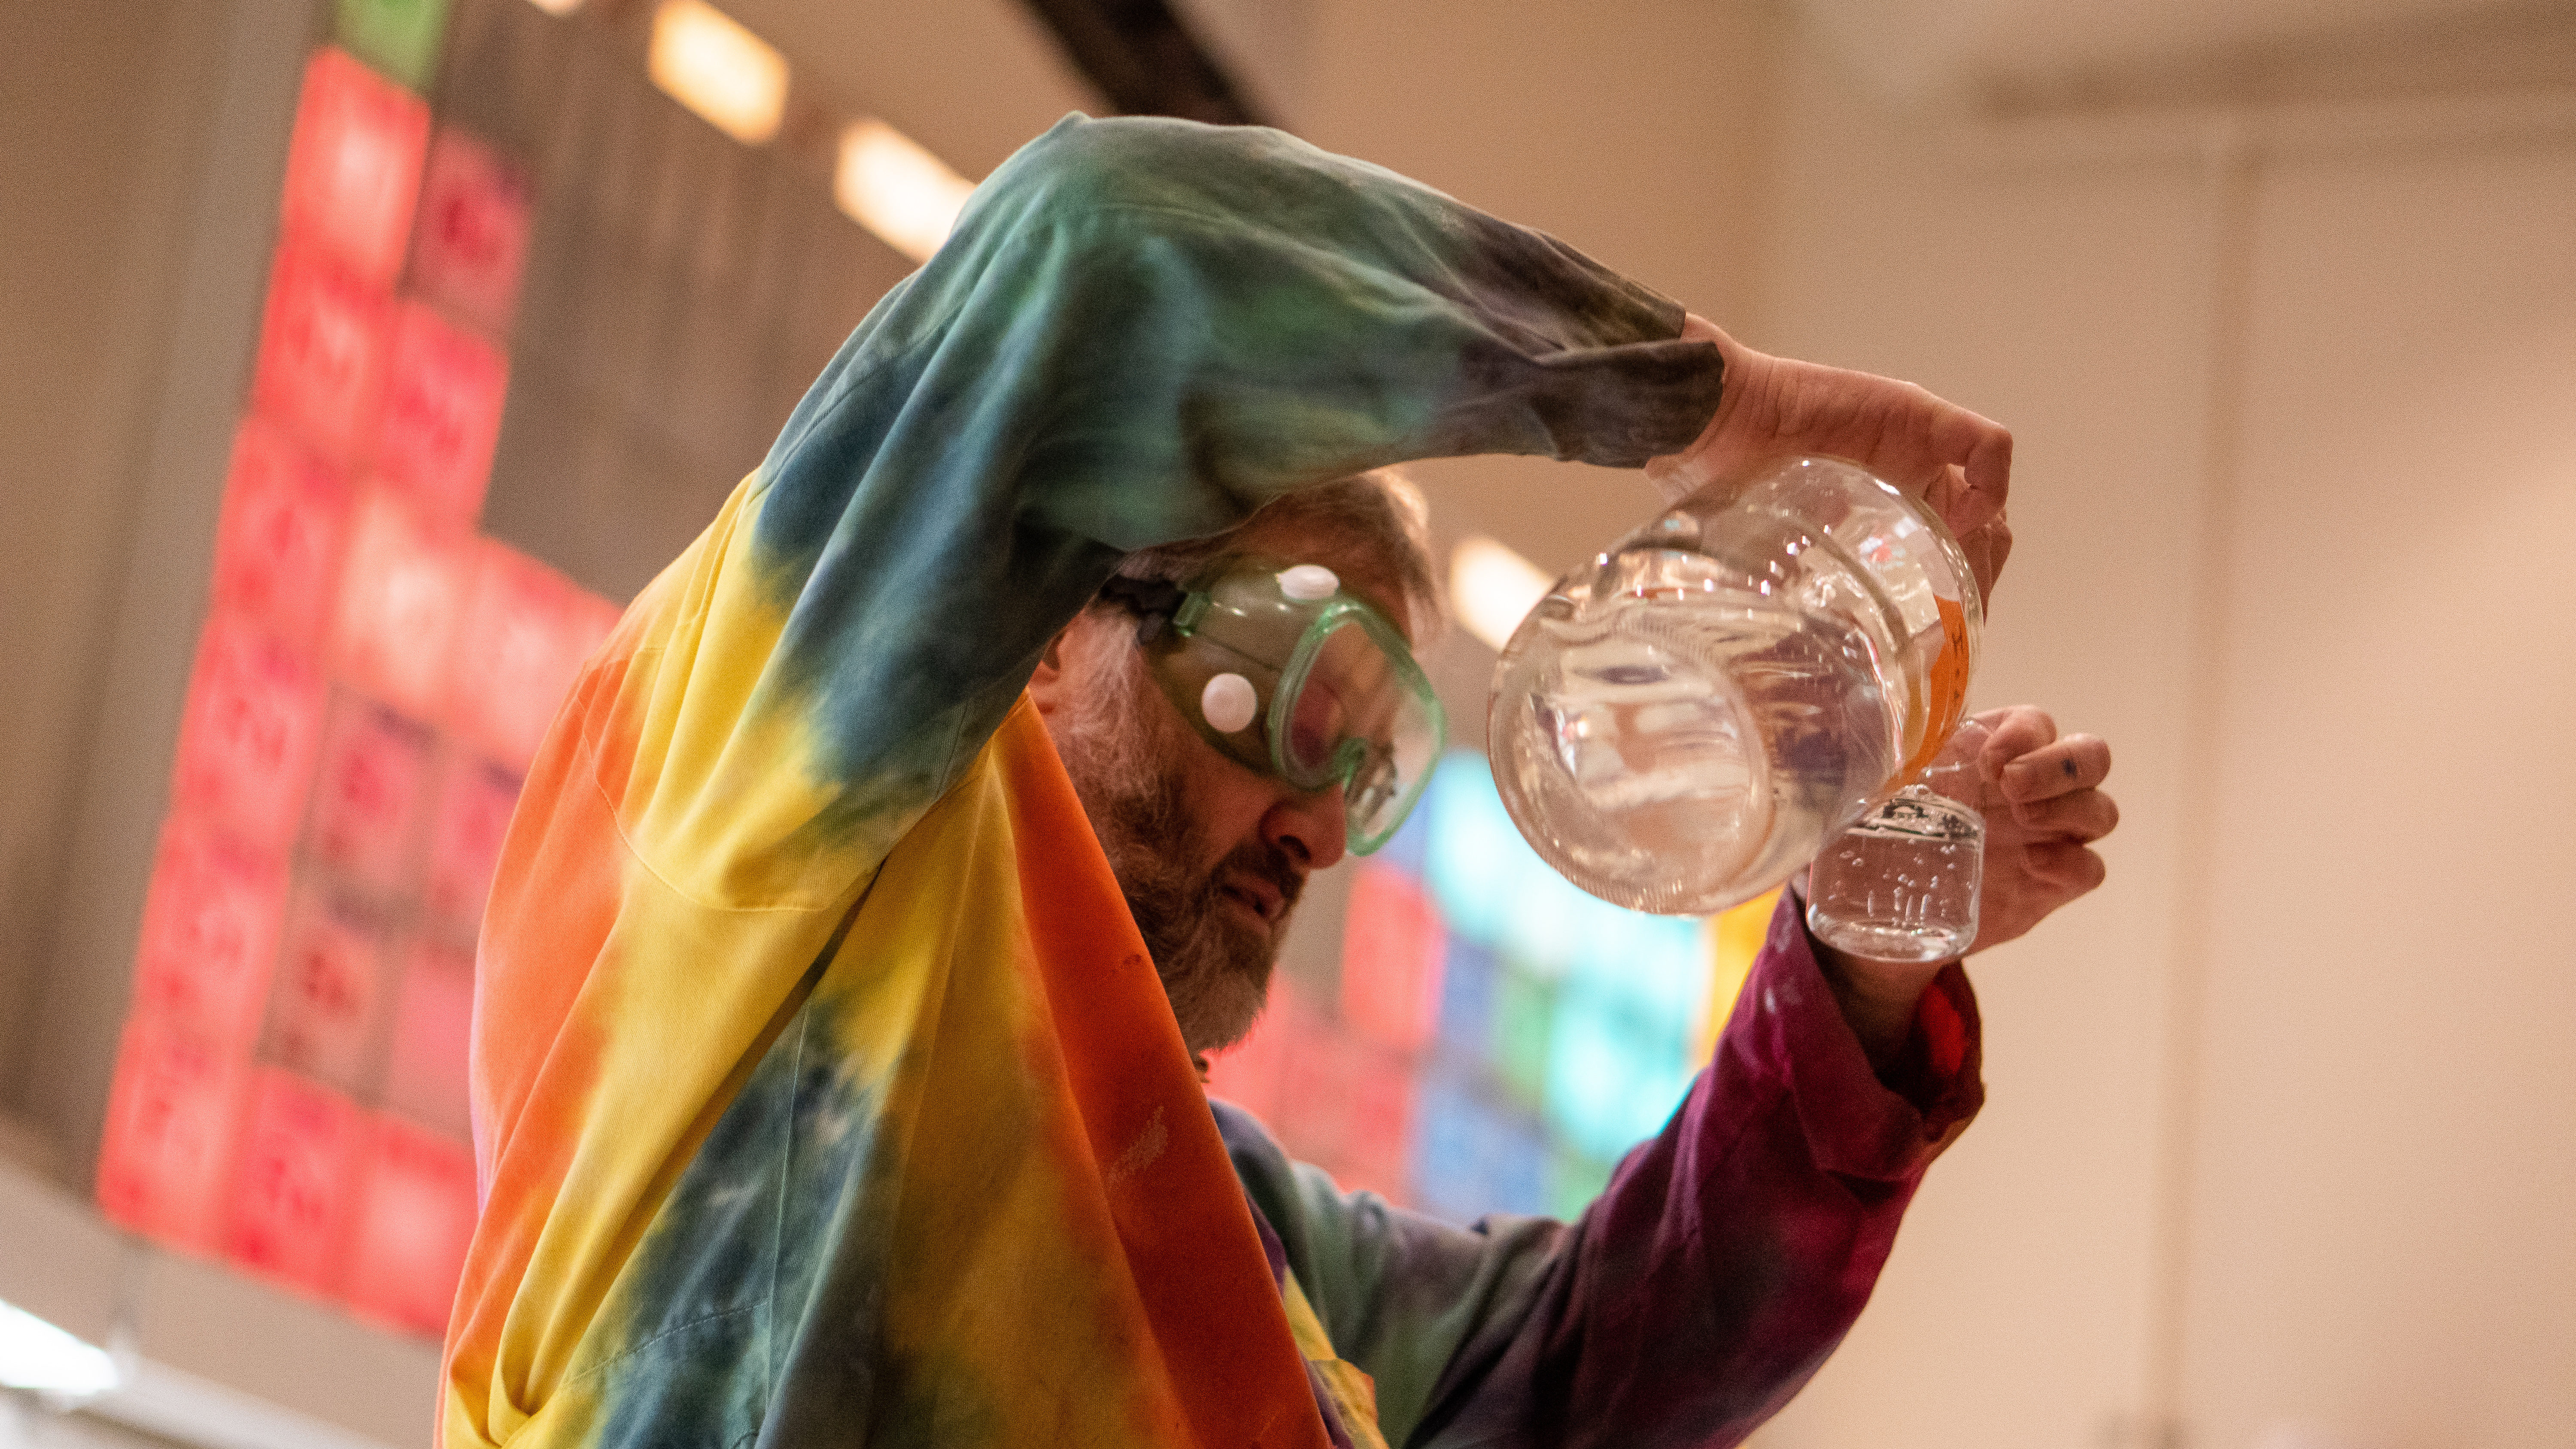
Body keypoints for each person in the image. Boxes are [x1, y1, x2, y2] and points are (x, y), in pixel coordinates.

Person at [438, 114, 2116, 1449]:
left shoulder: (1231, 1234)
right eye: (1304, 691)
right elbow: (1099, 239)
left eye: (1376, 758)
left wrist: (1866, 949)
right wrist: (1711, 406)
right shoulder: (765, 822)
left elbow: (1596, 1363)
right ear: (1039, 627)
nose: (1322, 826)